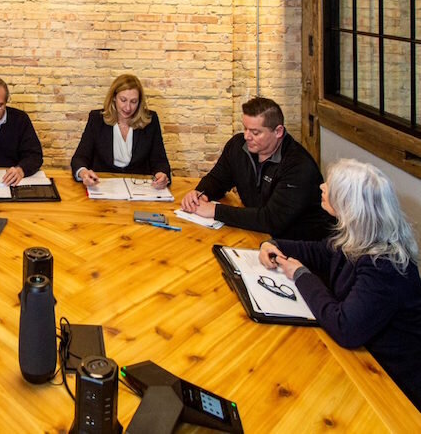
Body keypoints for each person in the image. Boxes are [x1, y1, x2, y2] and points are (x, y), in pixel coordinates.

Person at [258, 159, 421, 411]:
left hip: (392, 387)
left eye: (330, 187)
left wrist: (301, 275)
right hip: (362, 361)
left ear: (349, 206)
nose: (322, 186)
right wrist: (273, 244)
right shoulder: (359, 237)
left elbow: (346, 327)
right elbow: (319, 251)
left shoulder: (384, 265)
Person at [180, 97, 333, 240]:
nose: (247, 136)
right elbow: (218, 179)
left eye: (255, 132)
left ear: (278, 132)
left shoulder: (299, 166)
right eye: (245, 128)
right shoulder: (238, 146)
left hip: (297, 245)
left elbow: (271, 219)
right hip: (257, 234)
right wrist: (201, 193)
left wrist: (214, 211)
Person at [70, 74, 171, 188]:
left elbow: (160, 161)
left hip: (139, 190)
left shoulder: (151, 121)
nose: (127, 108)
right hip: (102, 187)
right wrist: (84, 173)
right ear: (114, 97)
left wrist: (161, 175)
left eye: (133, 102)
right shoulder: (97, 119)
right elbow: (79, 158)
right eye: (123, 100)